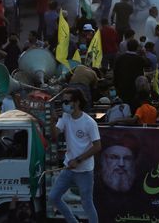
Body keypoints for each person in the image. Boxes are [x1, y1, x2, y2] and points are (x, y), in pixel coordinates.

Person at [49, 88, 101, 223]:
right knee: (53, 197)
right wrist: (52, 121)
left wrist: (78, 160)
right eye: (62, 101)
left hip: (84, 171)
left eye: (66, 101)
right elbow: (54, 136)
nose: (64, 104)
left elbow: (97, 146)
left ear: (77, 102)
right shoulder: (65, 117)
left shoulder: (89, 122)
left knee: (87, 204)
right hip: (68, 168)